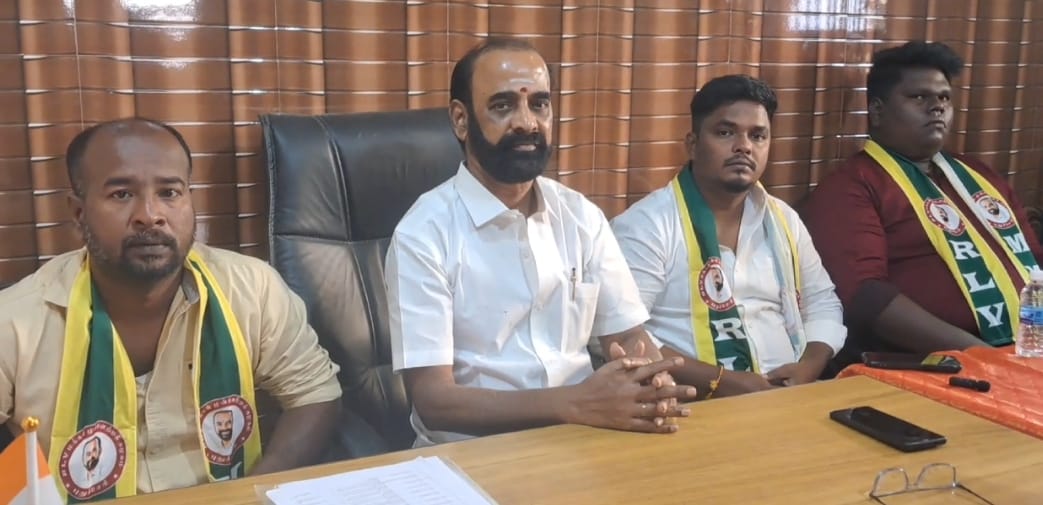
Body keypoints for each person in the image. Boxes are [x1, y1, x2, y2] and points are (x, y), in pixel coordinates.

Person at [0, 118, 343, 500]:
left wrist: (252, 494)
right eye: (121, 195)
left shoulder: (251, 288)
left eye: (169, 192)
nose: (150, 214)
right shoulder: (16, 321)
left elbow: (314, 395)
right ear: (79, 214)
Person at [386, 38, 697, 447]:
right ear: (461, 120)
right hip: (472, 454)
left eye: (539, 105)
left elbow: (626, 337)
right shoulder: (423, 233)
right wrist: (574, 404)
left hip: (586, 439)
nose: (527, 123)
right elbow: (435, 402)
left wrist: (651, 378)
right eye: (503, 106)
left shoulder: (580, 215)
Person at [801, 41, 1043, 371]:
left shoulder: (979, 175)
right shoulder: (851, 186)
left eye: (944, 98)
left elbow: (1032, 260)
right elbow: (865, 297)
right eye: (919, 97)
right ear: (877, 111)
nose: (937, 107)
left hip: (1027, 350)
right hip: (944, 366)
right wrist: (985, 357)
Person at [611, 75, 847, 398]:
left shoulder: (783, 219)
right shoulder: (647, 225)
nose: (744, 146)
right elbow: (623, 335)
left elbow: (822, 302)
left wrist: (808, 367)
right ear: (692, 145)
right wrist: (724, 382)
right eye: (725, 133)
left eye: (757, 136)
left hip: (791, 397)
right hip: (692, 404)